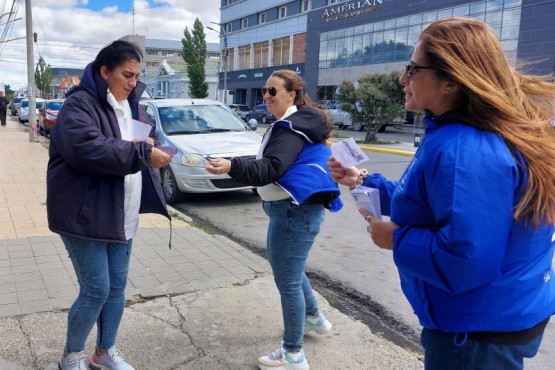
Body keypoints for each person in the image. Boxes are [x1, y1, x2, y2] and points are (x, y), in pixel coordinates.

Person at [328, 17, 555, 370]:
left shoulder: (465, 149)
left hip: (476, 333)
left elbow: (467, 260)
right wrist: (363, 181)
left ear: (451, 80)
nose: (403, 79)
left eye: (413, 68)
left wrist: (395, 239)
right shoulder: (466, 133)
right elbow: (432, 202)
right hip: (499, 315)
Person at [46, 40, 172, 370]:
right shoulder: (79, 106)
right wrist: (142, 153)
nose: (133, 82)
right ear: (105, 72)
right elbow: (88, 149)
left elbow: (143, 138)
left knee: (116, 288)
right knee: (96, 289)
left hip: (122, 211)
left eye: (137, 76)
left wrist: (152, 143)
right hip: (84, 213)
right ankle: (71, 355)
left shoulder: (132, 104)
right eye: (126, 75)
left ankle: (104, 352)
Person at [206, 69, 342, 370]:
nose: (265, 97)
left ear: (291, 95)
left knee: (288, 281)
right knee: (290, 271)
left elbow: (270, 168)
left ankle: (293, 354)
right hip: (294, 210)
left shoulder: (291, 128)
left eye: (272, 92)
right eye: (264, 92)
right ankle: (314, 318)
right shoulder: (293, 124)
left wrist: (231, 165)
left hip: (294, 212)